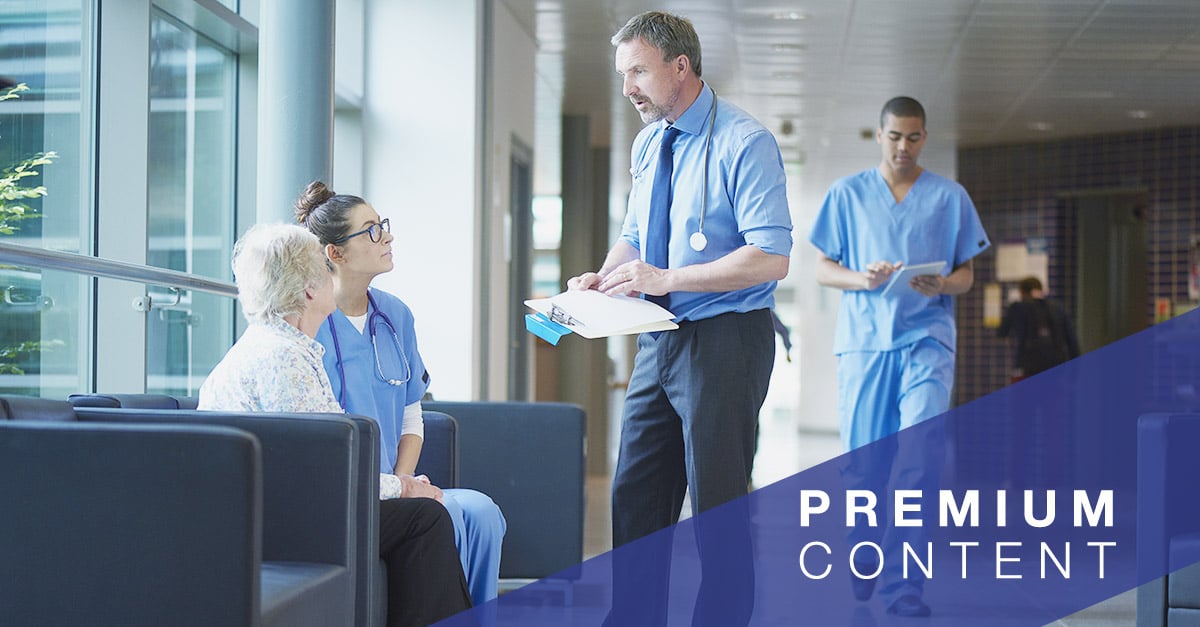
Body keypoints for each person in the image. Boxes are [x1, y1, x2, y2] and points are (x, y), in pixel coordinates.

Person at [567, 11, 791, 625]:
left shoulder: (745, 142)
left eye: (638, 70)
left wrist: (666, 280)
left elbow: (770, 257)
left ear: (681, 66)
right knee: (635, 491)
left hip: (727, 338)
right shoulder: (649, 143)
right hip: (658, 337)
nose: (628, 87)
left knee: (716, 502)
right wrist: (604, 275)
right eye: (623, 74)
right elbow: (636, 235)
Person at [198, 223, 472, 627]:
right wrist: (404, 485)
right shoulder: (284, 360)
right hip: (277, 518)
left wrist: (400, 487)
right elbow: (328, 474)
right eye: (326, 272)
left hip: (278, 505)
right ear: (311, 290)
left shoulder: (282, 347)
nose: (334, 279)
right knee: (424, 518)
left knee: (416, 512)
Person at [809, 96, 990, 617]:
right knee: (865, 468)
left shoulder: (949, 196)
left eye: (913, 137)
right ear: (880, 135)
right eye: (895, 137)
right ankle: (864, 557)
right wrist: (861, 277)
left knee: (919, 459)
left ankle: (904, 586)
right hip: (865, 344)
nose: (904, 147)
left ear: (924, 137)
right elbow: (823, 268)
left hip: (926, 340)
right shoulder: (847, 194)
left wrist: (943, 282)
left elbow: (966, 274)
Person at [295, 181, 507, 607]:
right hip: (348, 491)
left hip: (399, 484)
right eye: (371, 230)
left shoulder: (395, 315)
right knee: (440, 515)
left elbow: (413, 413)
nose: (387, 236)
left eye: (383, 225)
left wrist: (404, 480)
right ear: (335, 254)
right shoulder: (310, 322)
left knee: (482, 512)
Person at [998, 276, 1080, 381]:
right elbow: (1072, 340)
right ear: (1041, 290)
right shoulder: (1058, 307)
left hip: (1028, 367)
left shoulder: (1018, 307)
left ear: (1022, 292)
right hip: (1056, 366)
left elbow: (1002, 332)